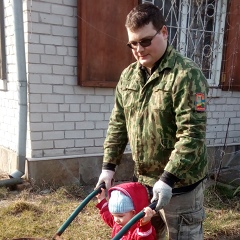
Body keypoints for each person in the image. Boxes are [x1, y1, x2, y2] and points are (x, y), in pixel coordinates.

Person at [96, 2, 209, 239]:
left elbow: (192, 134)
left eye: (145, 41)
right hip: (144, 186)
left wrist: (168, 179)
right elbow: (118, 123)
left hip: (180, 188)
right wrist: (108, 168)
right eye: (133, 43)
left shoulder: (186, 75)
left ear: (164, 32)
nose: (139, 49)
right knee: (145, 235)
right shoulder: (128, 75)